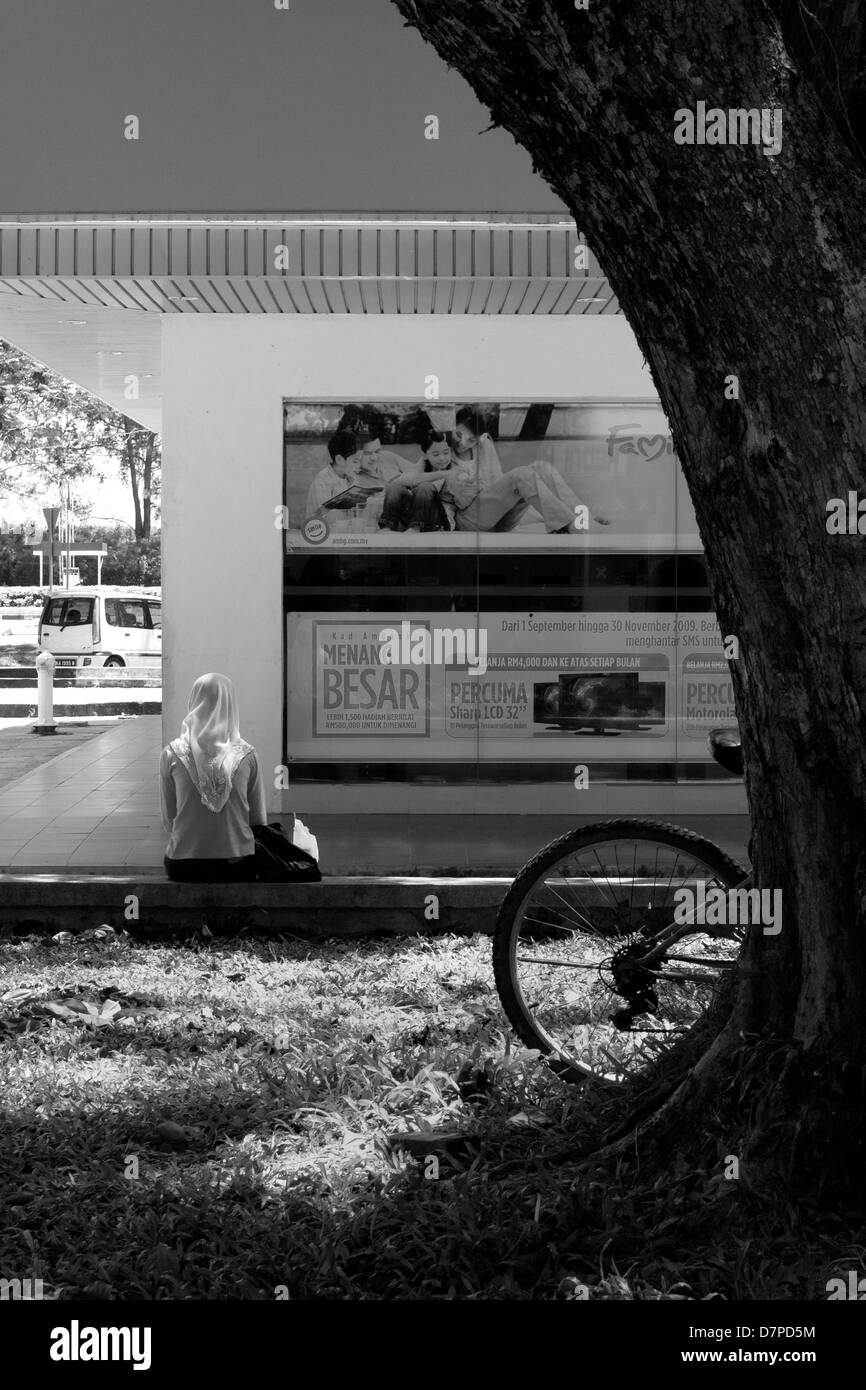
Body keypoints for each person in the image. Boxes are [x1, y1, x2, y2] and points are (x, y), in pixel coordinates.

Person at [160, 672, 276, 882]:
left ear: (193, 702)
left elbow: (169, 821)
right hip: (238, 865)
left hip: (185, 866)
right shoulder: (248, 755)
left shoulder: (171, 754)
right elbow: (258, 821)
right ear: (231, 705)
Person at [305, 430, 362, 521]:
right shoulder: (322, 480)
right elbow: (326, 516)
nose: (359, 465)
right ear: (339, 459)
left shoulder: (351, 477)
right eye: (355, 461)